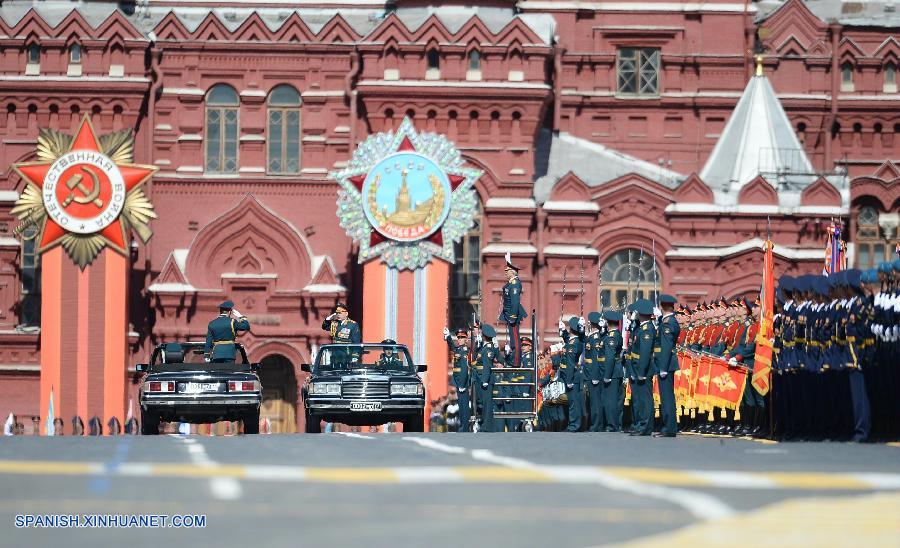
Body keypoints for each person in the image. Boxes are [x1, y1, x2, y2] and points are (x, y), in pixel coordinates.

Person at [628, 299, 656, 436]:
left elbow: (645, 353)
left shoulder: (647, 329)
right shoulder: (640, 327)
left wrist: (641, 371)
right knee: (638, 398)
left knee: (645, 399)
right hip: (637, 367)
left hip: (643, 368)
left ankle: (645, 426)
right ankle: (640, 424)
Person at [653, 294, 679, 437]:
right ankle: (668, 426)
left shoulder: (669, 322)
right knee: (666, 396)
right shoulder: (667, 321)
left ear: (663, 306)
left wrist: (663, 367)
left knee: (667, 397)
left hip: (666, 364)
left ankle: (669, 428)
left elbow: (666, 346)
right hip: (666, 363)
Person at [499, 252, 528, 367]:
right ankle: (512, 358)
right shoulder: (510, 283)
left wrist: (512, 317)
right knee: (512, 339)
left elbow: (515, 302)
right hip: (508, 314)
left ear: (512, 272)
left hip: (512, 316)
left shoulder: (515, 284)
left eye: (507, 271)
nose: (505, 273)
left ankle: (515, 361)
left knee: (515, 339)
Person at [599, 310, 625, 432]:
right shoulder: (617, 335)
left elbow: (609, 357)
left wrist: (607, 375)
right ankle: (617, 424)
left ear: (608, 323)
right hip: (617, 370)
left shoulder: (611, 337)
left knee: (610, 400)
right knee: (616, 399)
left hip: (612, 371)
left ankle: (612, 425)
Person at [559, 315, 585, 432]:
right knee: (571, 401)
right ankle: (572, 423)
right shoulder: (574, 340)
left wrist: (569, 379)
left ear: (571, 329)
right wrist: (563, 331)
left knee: (574, 402)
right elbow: (567, 340)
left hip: (572, 375)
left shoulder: (574, 343)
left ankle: (574, 425)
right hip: (570, 374)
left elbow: (569, 362)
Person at [444, 327, 471, 432]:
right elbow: (452, 347)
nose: (459, 339)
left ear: (466, 339)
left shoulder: (464, 351)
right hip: (458, 381)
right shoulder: (459, 349)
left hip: (462, 383)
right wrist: (448, 337)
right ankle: (463, 426)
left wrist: (462, 385)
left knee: (464, 405)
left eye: (462, 338)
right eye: (458, 337)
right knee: (461, 404)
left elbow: (464, 369)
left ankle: (465, 427)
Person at [473, 324, 497, 432]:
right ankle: (486, 425)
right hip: (483, 378)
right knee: (485, 403)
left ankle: (487, 426)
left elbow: (487, 365)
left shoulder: (488, 349)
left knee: (487, 404)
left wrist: (484, 380)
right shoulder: (485, 347)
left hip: (486, 379)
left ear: (484, 335)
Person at [584, 311, 605, 432]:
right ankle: (595, 423)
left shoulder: (596, 338)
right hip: (590, 373)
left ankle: (597, 424)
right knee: (593, 401)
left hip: (594, 374)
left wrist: (595, 375)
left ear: (591, 323)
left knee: (596, 401)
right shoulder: (591, 337)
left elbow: (597, 358)